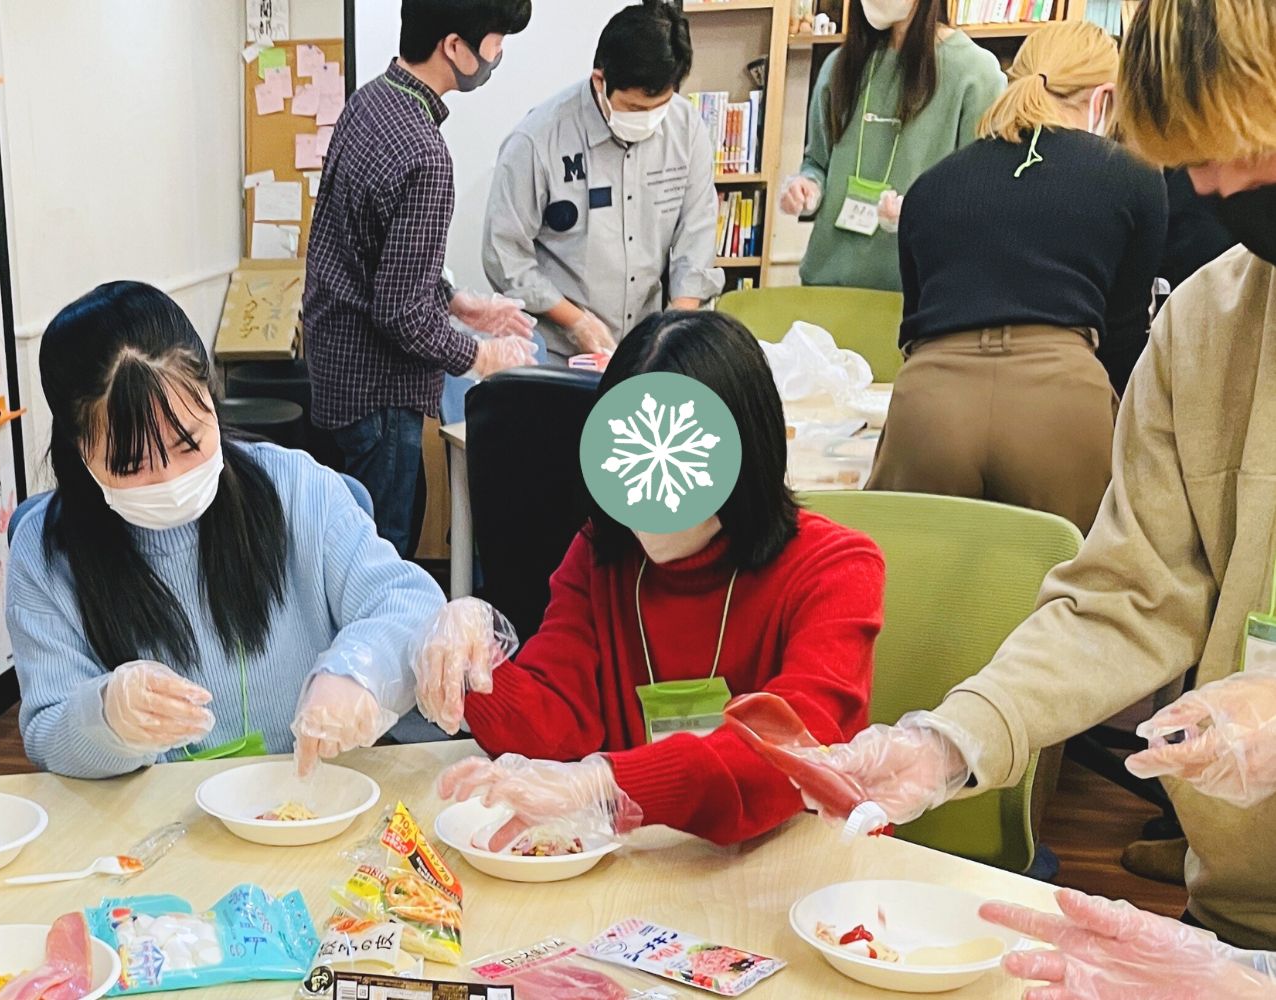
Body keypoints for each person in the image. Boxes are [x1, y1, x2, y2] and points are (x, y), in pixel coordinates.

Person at [780, 0, 1276, 970]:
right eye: (1191, 154)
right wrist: (948, 740)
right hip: (1238, 914)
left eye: (1235, 143)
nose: (1210, 184)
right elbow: (1125, 596)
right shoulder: (1211, 326)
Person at [411, 310, 885, 846]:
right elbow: (554, 725)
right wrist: (473, 658)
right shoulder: (602, 554)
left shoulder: (836, 567)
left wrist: (606, 780)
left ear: (745, 453)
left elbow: (795, 753)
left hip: (789, 866)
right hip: (643, 871)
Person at [7, 282, 445, 779]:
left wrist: (357, 671)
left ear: (212, 399)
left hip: (310, 790)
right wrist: (105, 716)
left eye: (189, 443)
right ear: (81, 450)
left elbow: (407, 602)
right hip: (152, 821)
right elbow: (47, 733)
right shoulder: (46, 553)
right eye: (132, 465)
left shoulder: (297, 489)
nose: (170, 479)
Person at [866, 21, 1167, 535]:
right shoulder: (1134, 177)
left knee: (915, 586)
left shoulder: (931, 186)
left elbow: (912, 332)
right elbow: (1121, 341)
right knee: (1072, 592)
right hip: (1060, 406)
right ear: (1106, 99)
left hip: (932, 403)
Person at [304, 0, 539, 559]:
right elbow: (400, 314)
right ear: (455, 47)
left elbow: (371, 254)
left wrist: (459, 304)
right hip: (378, 393)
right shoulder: (425, 154)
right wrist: (483, 358)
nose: (499, 53)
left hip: (337, 373)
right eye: (496, 41)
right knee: (381, 560)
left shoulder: (369, 102)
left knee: (351, 545)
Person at [481, 0, 723, 363]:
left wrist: (675, 328)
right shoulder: (538, 139)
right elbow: (505, 255)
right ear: (600, 80)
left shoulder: (686, 131)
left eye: (660, 107)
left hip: (647, 350)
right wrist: (576, 322)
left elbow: (697, 236)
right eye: (636, 109)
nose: (649, 119)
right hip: (561, 351)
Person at [779, 0, 1004, 292]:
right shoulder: (840, 64)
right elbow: (817, 163)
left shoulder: (975, 72)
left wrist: (917, 217)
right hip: (828, 281)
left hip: (917, 290)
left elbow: (979, 195)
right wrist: (807, 187)